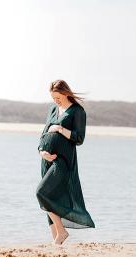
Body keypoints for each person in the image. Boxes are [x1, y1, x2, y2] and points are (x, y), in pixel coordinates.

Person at [36, 79, 95, 246]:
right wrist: (41, 151)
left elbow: (79, 138)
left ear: (66, 93)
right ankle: (56, 242)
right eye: (53, 98)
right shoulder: (53, 109)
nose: (56, 101)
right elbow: (43, 134)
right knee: (50, 198)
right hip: (47, 160)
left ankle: (61, 231)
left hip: (63, 161)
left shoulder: (77, 111)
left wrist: (60, 129)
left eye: (58, 98)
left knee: (42, 193)